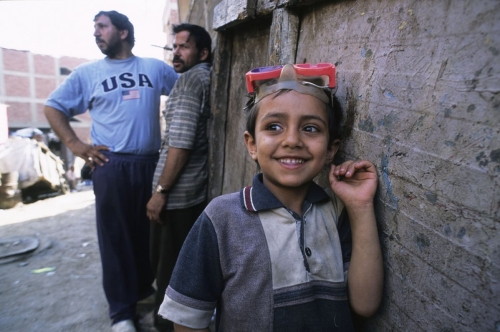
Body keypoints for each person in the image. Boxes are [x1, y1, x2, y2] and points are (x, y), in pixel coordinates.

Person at [157, 64, 384, 331]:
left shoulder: (336, 211)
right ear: (252, 144)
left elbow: (366, 304)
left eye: (310, 128)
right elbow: (187, 319)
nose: (292, 140)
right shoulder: (221, 218)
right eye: (274, 126)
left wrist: (360, 206)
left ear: (331, 149)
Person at [43, 10, 178, 332]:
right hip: (111, 165)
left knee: (151, 235)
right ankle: (121, 314)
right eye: (95, 28)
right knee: (115, 239)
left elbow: (187, 94)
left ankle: (146, 292)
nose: (96, 33)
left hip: (150, 164)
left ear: (123, 32)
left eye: (102, 27)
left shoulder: (154, 68)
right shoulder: (87, 73)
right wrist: (75, 145)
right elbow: (53, 107)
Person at [145, 23, 212, 332]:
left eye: (184, 46)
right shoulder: (201, 78)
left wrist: (160, 191)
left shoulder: (188, 82)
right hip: (186, 194)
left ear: (203, 53)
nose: (177, 52)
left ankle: (166, 327)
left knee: (170, 269)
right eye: (175, 46)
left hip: (177, 197)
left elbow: (181, 143)